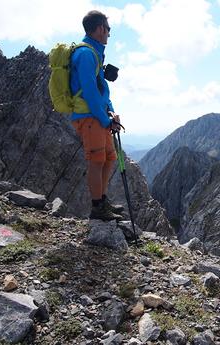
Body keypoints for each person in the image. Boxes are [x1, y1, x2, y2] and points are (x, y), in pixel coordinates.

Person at [70, 10, 123, 221]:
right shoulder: (85, 54)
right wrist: (104, 118)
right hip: (89, 117)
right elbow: (90, 91)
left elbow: (101, 89)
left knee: (109, 157)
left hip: (99, 115)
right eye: (108, 30)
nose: (109, 34)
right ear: (100, 29)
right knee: (96, 160)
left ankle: (102, 199)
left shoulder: (94, 53)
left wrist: (110, 110)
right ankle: (97, 207)